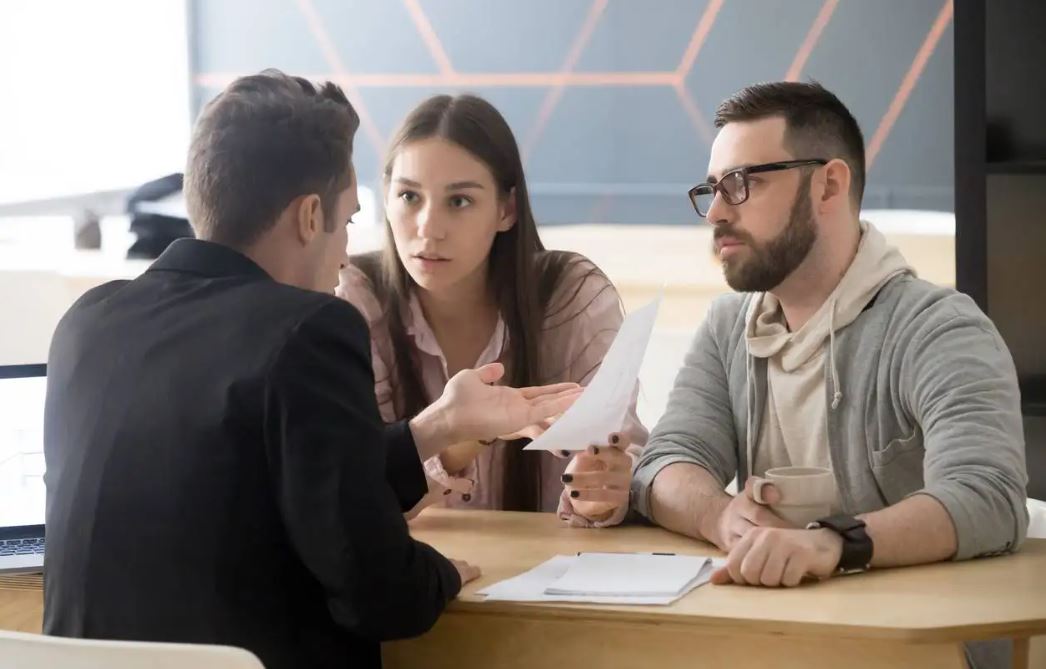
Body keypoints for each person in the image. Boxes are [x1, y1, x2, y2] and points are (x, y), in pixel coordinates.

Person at [43, 70, 579, 669]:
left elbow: (269, 483)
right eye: (347, 221)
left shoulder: (86, 323)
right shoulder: (306, 331)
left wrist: (434, 428)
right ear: (307, 218)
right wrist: (440, 574)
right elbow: (382, 596)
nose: (347, 252)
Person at [630, 81, 1027, 667]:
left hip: (912, 649)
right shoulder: (727, 326)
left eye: (743, 183)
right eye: (712, 189)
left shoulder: (939, 328)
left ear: (829, 184)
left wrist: (832, 543)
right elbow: (664, 463)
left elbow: (989, 499)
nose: (716, 212)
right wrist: (720, 515)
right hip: (762, 641)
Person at [338, 94, 648, 526]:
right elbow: (347, 490)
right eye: (409, 196)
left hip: (551, 574)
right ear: (385, 200)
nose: (429, 227)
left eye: (459, 201)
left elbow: (624, 449)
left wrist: (603, 491)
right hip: (413, 576)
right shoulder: (353, 298)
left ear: (506, 210)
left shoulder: (570, 294)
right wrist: (458, 436)